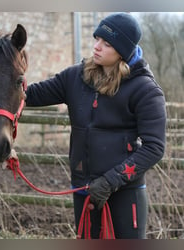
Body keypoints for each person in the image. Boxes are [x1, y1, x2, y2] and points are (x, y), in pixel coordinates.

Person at [24, 12, 166, 239]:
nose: (97, 47)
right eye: (96, 39)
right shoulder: (75, 77)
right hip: (84, 189)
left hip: (124, 192)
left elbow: (155, 148)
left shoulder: (146, 90)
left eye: (107, 43)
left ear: (122, 51)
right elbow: (29, 95)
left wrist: (111, 181)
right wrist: (9, 77)